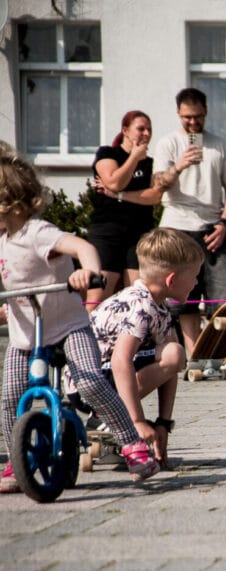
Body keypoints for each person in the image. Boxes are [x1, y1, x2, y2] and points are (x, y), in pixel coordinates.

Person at [0, 143, 161, 491]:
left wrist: (86, 273)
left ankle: (131, 442)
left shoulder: (35, 231)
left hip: (68, 326)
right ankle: (18, 458)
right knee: (10, 394)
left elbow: (83, 247)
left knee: (89, 380)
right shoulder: (3, 239)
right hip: (26, 335)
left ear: (7, 202)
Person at [89, 228, 204, 467]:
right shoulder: (139, 306)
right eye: (194, 276)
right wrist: (138, 421)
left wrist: (164, 422)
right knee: (174, 352)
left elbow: (172, 368)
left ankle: (114, 416)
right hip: (92, 383)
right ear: (171, 280)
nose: (196, 283)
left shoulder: (158, 305)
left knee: (173, 352)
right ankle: (107, 416)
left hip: (108, 377)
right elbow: (121, 361)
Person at [152, 87, 226, 356]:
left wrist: (224, 222)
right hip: (177, 225)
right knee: (183, 299)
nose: (193, 122)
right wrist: (179, 166)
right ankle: (194, 355)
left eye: (198, 117)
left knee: (225, 298)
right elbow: (158, 186)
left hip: (213, 226)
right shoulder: (168, 144)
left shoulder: (220, 145)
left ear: (206, 113)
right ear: (179, 114)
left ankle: (219, 354)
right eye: (187, 117)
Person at [86, 110, 165, 307]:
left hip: (138, 234)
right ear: (125, 131)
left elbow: (154, 196)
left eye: (149, 129)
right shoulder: (108, 154)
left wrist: (120, 196)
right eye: (141, 129)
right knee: (97, 299)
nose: (146, 133)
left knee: (138, 297)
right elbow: (114, 182)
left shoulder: (151, 164)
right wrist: (134, 158)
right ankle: (90, 337)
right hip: (107, 233)